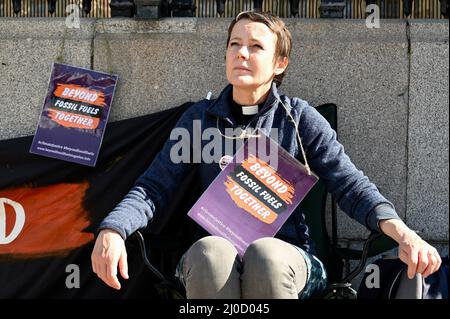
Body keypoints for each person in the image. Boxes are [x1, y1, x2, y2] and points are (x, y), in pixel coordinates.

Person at [91, 11, 442, 299]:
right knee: (211, 254)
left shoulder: (300, 119)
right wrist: (112, 230)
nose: (241, 53)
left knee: (266, 255)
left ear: (279, 63)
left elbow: (350, 186)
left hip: (289, 259)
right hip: (212, 256)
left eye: (256, 46)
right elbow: (154, 188)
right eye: (234, 44)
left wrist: (404, 234)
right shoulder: (199, 119)